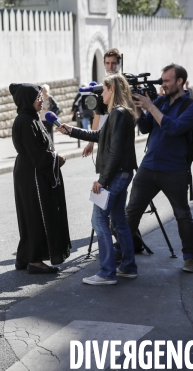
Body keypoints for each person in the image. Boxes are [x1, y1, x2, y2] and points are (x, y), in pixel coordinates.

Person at [57, 74, 139, 285]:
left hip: (116, 175)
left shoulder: (118, 114)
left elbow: (116, 152)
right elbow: (99, 136)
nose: (101, 94)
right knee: (119, 220)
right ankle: (128, 267)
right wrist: (71, 130)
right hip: (121, 173)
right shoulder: (118, 114)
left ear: (112, 90)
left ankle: (106, 272)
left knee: (99, 219)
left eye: (103, 89)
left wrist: (102, 180)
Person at [125, 64, 193, 273]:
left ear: (180, 82)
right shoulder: (160, 101)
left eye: (167, 81)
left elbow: (173, 128)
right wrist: (139, 107)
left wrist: (151, 107)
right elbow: (145, 127)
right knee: (131, 212)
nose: (163, 84)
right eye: (162, 80)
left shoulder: (191, 107)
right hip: (149, 167)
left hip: (175, 170)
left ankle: (189, 258)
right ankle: (122, 248)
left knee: (182, 214)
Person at [10, 83, 71, 274]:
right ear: (27, 100)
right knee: (36, 216)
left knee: (29, 215)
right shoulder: (26, 121)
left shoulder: (29, 118)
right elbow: (36, 154)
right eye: (37, 98)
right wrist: (56, 159)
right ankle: (35, 261)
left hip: (28, 172)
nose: (41, 100)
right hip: (33, 175)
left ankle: (24, 256)